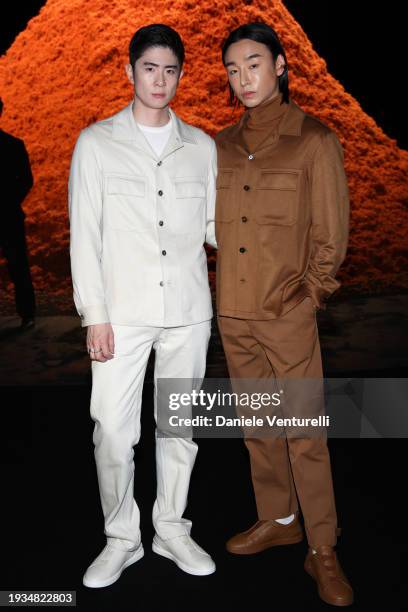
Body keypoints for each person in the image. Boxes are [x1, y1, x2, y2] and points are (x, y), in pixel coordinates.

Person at [68, 24, 217, 588]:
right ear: (130, 72)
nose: (159, 80)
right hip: (122, 314)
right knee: (111, 428)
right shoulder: (96, 143)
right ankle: (121, 538)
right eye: (149, 68)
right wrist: (95, 315)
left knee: (178, 428)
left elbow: (215, 228)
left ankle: (171, 529)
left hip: (187, 311)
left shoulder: (201, 147)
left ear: (181, 75)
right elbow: (85, 236)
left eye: (170, 69)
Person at [214, 22, 353, 607]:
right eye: (232, 69)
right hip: (234, 317)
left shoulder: (313, 141)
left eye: (253, 64)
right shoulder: (216, 146)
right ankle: (278, 519)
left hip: (287, 315)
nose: (243, 78)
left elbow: (332, 239)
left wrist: (310, 298)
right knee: (258, 430)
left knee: (306, 436)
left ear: (280, 65)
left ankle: (322, 547)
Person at [0, 97, 36, 329]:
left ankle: (28, 312)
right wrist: (10, 201)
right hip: (10, 214)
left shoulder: (13, 145)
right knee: (18, 266)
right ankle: (27, 314)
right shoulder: (13, 145)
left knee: (19, 266)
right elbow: (25, 181)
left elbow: (26, 181)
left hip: (9, 213)